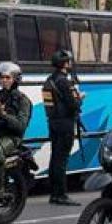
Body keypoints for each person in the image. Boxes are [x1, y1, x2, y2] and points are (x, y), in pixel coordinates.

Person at [43, 49, 83, 206]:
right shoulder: (64, 82)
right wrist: (80, 99)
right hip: (65, 123)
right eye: (69, 62)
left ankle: (53, 193)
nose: (71, 64)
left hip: (53, 122)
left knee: (55, 157)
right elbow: (73, 104)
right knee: (62, 160)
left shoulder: (49, 80)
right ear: (65, 64)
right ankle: (61, 195)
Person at [0, 62, 32, 203]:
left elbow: (20, 126)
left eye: (7, 77)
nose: (4, 81)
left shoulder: (23, 100)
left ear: (15, 80)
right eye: (2, 78)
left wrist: (3, 114)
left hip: (12, 137)